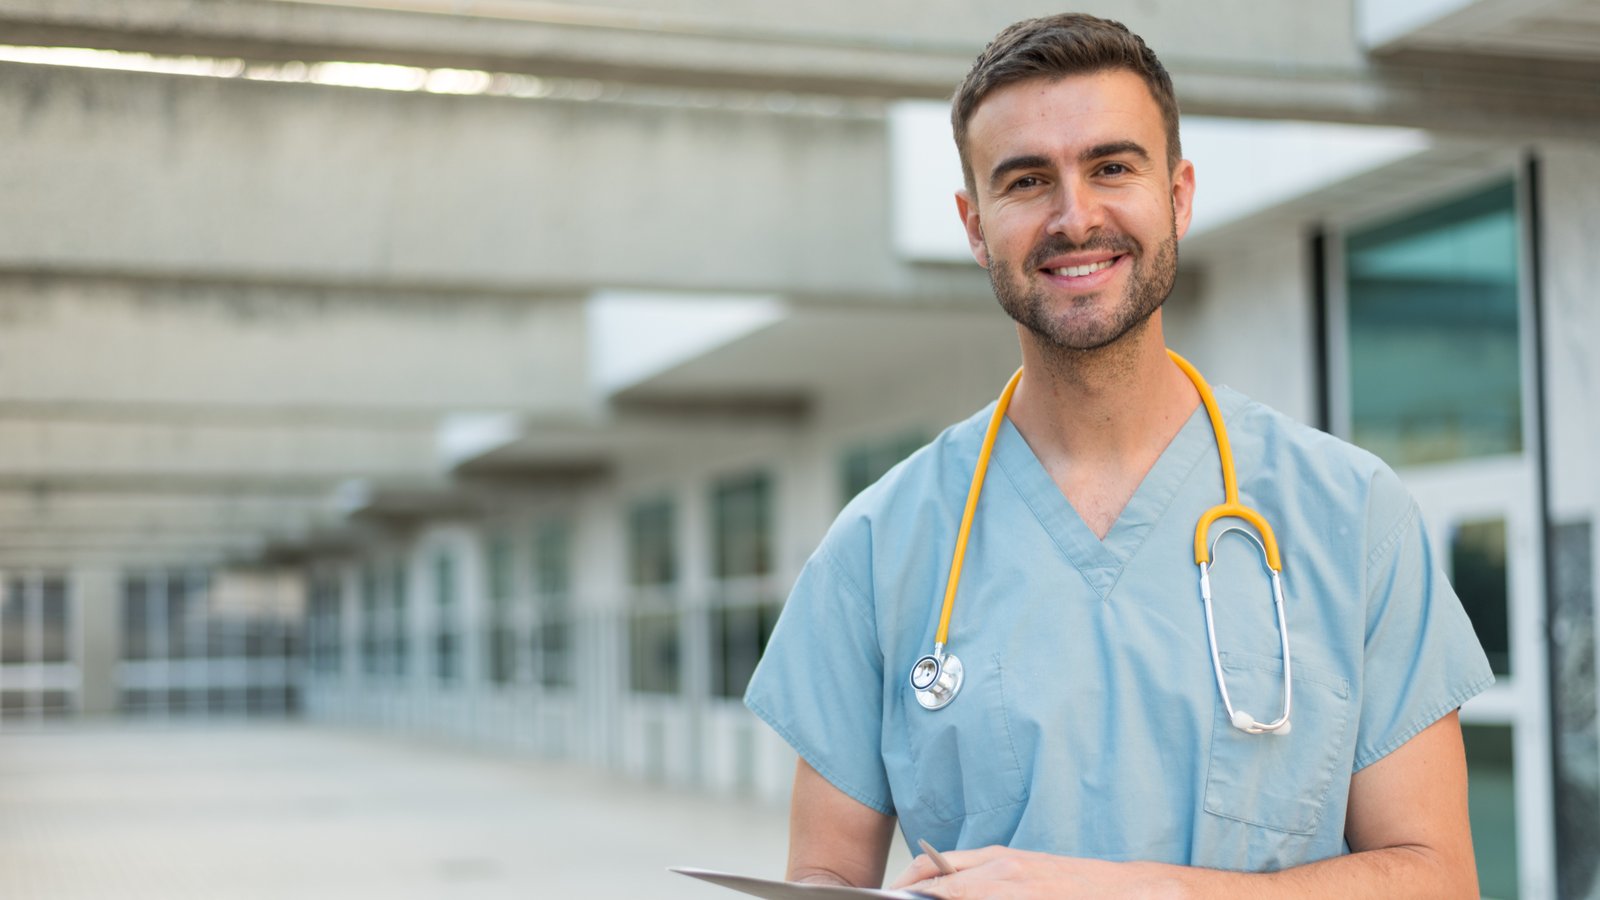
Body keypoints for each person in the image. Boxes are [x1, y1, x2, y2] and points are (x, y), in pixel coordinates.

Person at [742, 12, 1494, 900]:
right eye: (1026, 181)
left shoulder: (1351, 515)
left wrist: (1140, 892)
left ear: (1177, 195)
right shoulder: (878, 548)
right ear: (975, 226)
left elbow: (1436, 879)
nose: (1075, 216)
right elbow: (824, 877)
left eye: (1111, 167)